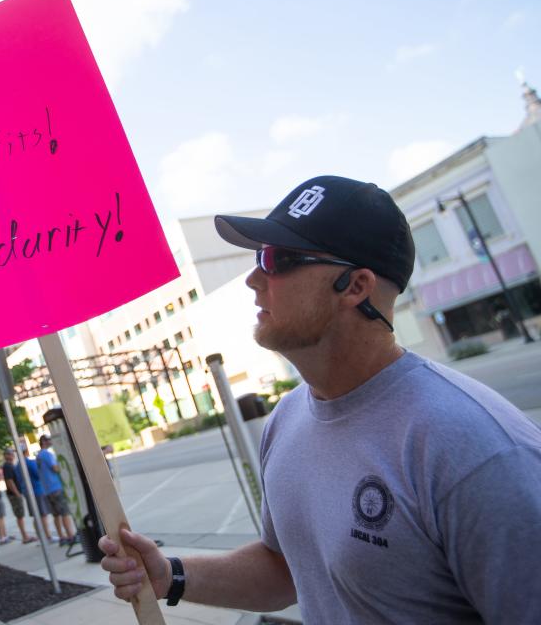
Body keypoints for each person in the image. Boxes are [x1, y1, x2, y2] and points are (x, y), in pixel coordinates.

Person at [100, 175, 541, 622]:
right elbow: (288, 568)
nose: (254, 278)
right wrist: (171, 575)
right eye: (258, 257)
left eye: (279, 258)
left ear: (356, 286)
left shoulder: (476, 448)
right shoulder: (287, 418)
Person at [36, 435, 77, 545]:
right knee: (65, 513)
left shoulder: (38, 455)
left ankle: (61, 537)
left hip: (47, 490)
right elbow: (55, 468)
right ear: (44, 442)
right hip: (56, 487)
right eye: (49, 439)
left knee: (56, 515)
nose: (51, 441)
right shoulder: (47, 454)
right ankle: (71, 536)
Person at [1, 448, 38, 543]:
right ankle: (25, 537)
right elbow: (9, 481)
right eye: (10, 454)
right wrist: (17, 493)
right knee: (20, 516)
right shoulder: (7, 466)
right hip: (14, 495)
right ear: (6, 456)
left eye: (12, 454)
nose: (12, 455)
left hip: (15, 493)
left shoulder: (10, 465)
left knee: (20, 515)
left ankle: (25, 535)